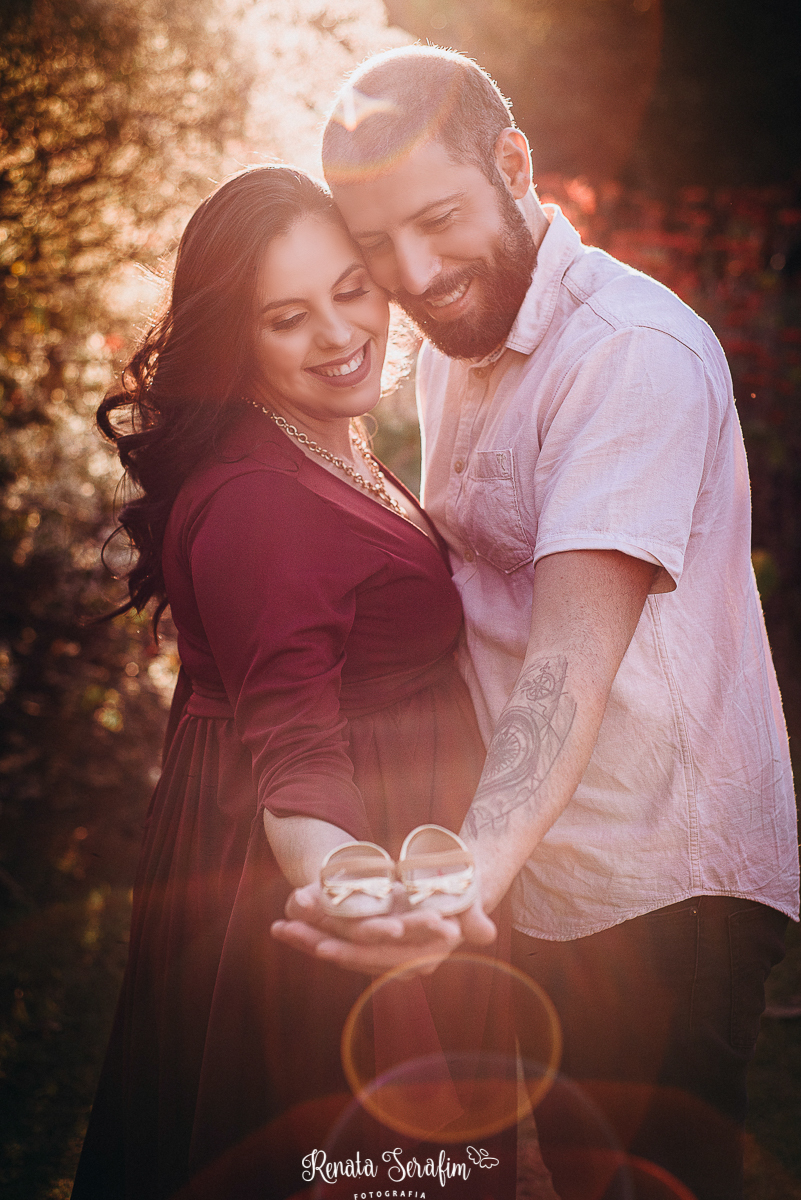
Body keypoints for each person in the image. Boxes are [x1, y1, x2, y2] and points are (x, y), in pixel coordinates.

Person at [274, 47, 800, 1200]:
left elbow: (567, 658)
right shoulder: (455, 344)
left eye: (439, 220)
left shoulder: (630, 356)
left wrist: (461, 880)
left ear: (514, 164)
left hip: (664, 881)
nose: (415, 274)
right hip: (539, 865)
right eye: (379, 244)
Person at [70, 164, 518, 1200]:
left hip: (384, 837)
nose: (337, 333)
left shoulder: (314, 438)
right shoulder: (261, 502)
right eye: (287, 317)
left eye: (351, 290)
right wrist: (342, 891)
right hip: (327, 866)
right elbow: (297, 753)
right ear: (237, 338)